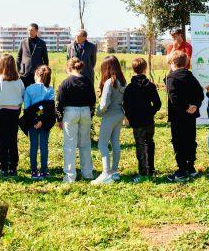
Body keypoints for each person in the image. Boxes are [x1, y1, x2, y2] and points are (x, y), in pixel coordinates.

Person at [164, 50, 204, 182]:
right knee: (190, 140)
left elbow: (174, 98)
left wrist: (186, 107)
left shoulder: (171, 78)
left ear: (173, 63)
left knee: (178, 142)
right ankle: (191, 167)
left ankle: (181, 170)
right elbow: (200, 93)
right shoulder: (190, 75)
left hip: (178, 116)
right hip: (191, 116)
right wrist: (194, 105)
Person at [121, 57, 162, 182]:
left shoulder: (130, 88)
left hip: (136, 121)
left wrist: (130, 117)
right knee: (149, 142)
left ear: (133, 69)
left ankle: (143, 171)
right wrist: (151, 112)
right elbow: (158, 103)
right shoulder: (150, 86)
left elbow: (125, 105)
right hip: (149, 120)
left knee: (140, 144)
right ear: (145, 69)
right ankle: (151, 169)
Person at [56, 58, 96, 183]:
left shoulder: (66, 82)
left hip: (70, 112)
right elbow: (93, 100)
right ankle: (88, 173)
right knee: (85, 144)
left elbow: (59, 102)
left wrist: (59, 119)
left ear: (69, 68)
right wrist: (91, 114)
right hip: (85, 112)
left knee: (70, 145)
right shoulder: (87, 81)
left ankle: (70, 176)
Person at [0, 53, 24, 177]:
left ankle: (3, 167)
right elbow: (22, 96)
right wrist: (18, 108)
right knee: (12, 140)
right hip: (14, 112)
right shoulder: (19, 80)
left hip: (1, 112)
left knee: (2, 141)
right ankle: (13, 167)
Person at [94, 55, 126, 184]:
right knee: (115, 143)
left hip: (110, 115)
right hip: (120, 113)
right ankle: (114, 171)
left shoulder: (109, 82)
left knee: (102, 144)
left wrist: (98, 113)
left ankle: (106, 173)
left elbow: (104, 104)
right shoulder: (122, 81)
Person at [21, 65, 56, 179]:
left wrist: (35, 120)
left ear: (36, 75)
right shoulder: (50, 90)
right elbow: (49, 108)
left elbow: (27, 108)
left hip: (31, 122)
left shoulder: (29, 89)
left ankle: (34, 171)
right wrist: (41, 120)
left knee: (33, 146)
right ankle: (44, 171)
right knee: (44, 146)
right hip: (45, 122)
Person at [17, 23, 48, 89]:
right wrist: (19, 70)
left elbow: (45, 59)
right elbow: (18, 57)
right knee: (24, 93)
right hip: (24, 74)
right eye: (28, 30)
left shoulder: (42, 43)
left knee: (37, 93)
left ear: (36, 31)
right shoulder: (23, 42)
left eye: (31, 30)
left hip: (37, 74)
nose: (29, 32)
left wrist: (45, 72)